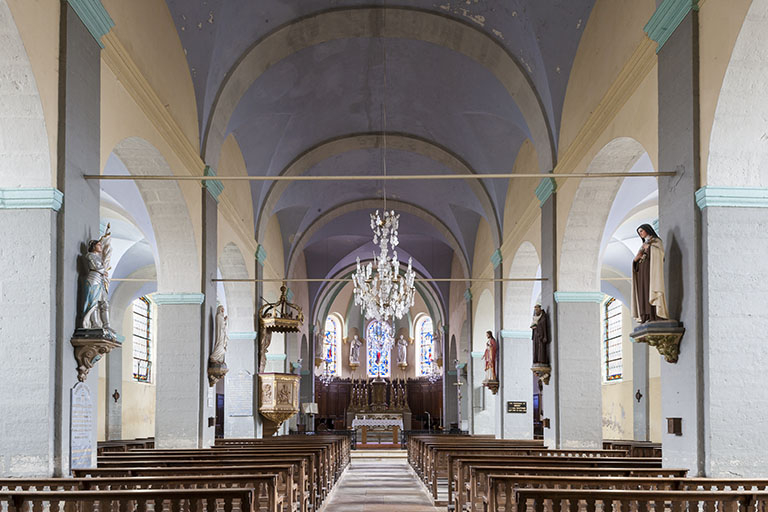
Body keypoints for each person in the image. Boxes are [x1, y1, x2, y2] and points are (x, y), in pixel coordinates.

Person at [81, 224, 116, 334]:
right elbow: (97, 267)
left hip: (100, 281)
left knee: (104, 303)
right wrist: (103, 270)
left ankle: (106, 325)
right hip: (93, 280)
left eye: (101, 245)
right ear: (93, 246)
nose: (101, 247)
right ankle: (94, 323)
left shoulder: (98, 257)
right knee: (94, 303)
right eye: (99, 245)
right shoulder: (90, 255)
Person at [631, 223, 669, 323]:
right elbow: (639, 258)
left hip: (651, 272)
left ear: (648, 230)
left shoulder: (656, 241)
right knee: (643, 292)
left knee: (650, 290)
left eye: (641, 231)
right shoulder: (643, 244)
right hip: (642, 272)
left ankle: (654, 315)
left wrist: (649, 248)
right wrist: (635, 260)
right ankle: (645, 316)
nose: (640, 234)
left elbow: (660, 254)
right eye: (639, 232)